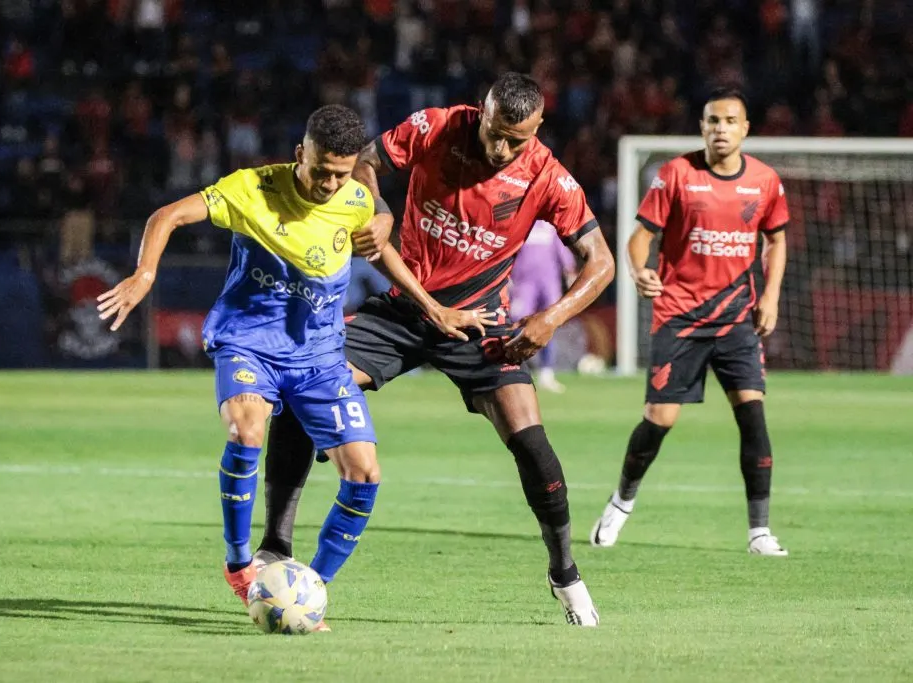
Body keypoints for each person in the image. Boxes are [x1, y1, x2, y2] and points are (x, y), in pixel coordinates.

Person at [96, 105, 485, 630]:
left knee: (364, 473)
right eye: (321, 170)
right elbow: (166, 216)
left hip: (319, 356)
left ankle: (308, 591)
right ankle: (240, 566)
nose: (330, 184)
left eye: (341, 174)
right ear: (300, 153)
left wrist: (433, 307)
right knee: (246, 429)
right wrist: (144, 275)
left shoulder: (355, 200)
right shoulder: (252, 189)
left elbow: (381, 252)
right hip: (248, 342)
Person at [256, 73, 615, 627]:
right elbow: (367, 159)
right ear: (482, 111)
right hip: (405, 308)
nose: (501, 149)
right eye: (495, 133)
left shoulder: (549, 178)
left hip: (480, 325)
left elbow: (602, 262)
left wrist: (551, 318)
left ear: (538, 127)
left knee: (532, 444)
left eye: (516, 140)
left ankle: (564, 572)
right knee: (303, 384)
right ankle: (275, 546)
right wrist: (379, 210)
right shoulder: (438, 127)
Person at [590, 87, 790, 556]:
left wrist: (771, 296)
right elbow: (640, 238)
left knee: (753, 416)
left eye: (730, 121)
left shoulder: (764, 181)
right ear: (702, 126)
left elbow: (776, 240)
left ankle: (759, 531)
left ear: (745, 129)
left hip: (737, 318)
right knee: (659, 420)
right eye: (712, 120)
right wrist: (639, 270)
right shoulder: (676, 174)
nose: (721, 129)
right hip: (679, 316)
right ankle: (621, 502)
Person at [510, 219, 579, 393]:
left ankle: (546, 373)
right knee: (517, 323)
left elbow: (561, 249)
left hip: (549, 283)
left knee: (549, 324)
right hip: (523, 283)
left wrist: (569, 270)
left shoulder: (549, 226)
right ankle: (514, 370)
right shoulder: (521, 222)